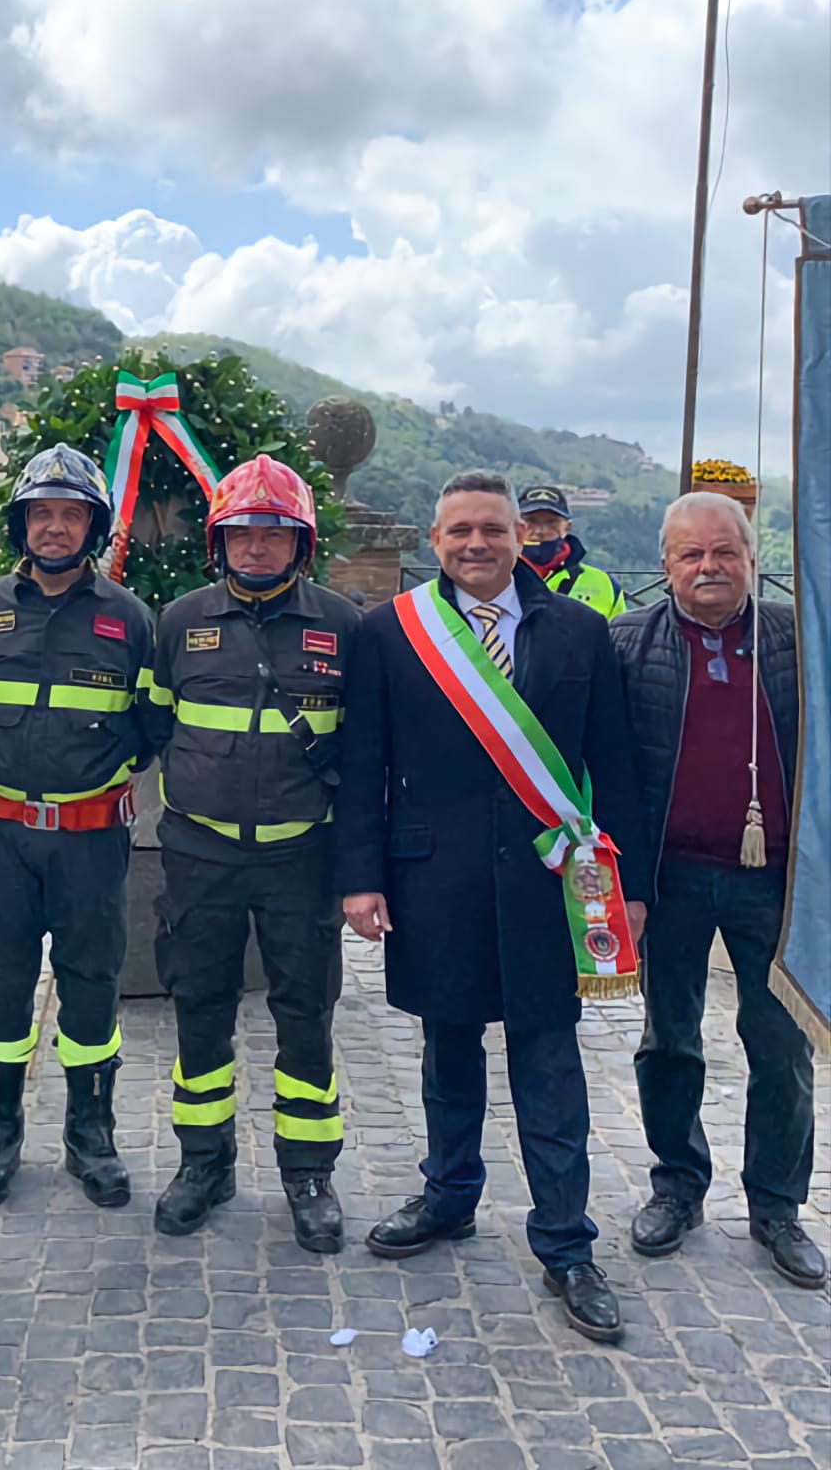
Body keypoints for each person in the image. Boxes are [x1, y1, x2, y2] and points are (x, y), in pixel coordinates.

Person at [337, 470, 644, 1341]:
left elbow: (614, 765)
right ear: (433, 544)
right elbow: (364, 762)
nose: (477, 545)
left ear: (521, 539)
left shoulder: (583, 631)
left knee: (550, 1065)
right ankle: (449, 1198)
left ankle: (566, 1243)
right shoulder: (391, 632)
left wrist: (635, 892)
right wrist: (361, 877)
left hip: (550, 886)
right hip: (434, 878)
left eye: (493, 531)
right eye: (459, 532)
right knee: (447, 1053)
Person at [144, 455, 361, 1252]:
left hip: (302, 860)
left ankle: (309, 1170)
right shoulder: (179, 621)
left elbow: (363, 754)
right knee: (199, 1008)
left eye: (274, 534)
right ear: (219, 542)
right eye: (243, 533)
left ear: (300, 544)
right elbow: (158, 725)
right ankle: (204, 1162)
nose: (257, 548)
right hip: (199, 859)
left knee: (305, 1015)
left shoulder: (342, 625)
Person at [613, 492, 822, 1289]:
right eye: (691, 555)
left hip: (772, 880)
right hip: (670, 878)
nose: (709, 567)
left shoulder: (797, 639)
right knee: (671, 1038)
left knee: (782, 1044)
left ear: (750, 556)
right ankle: (677, 1186)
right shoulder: (627, 642)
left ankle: (776, 1205)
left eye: (724, 552)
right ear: (665, 563)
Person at [0, 444, 155, 1210]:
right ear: (21, 523)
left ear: (92, 526)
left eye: (71, 515)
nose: (56, 528)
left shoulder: (129, 620)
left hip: (89, 840)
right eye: (43, 513)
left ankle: (89, 1133)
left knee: (91, 984)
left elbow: (150, 724)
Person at [518, 485, 625, 618]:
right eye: (531, 521)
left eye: (552, 522)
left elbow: (618, 635)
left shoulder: (605, 585)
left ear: (567, 527)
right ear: (515, 525)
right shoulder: (494, 579)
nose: (541, 531)